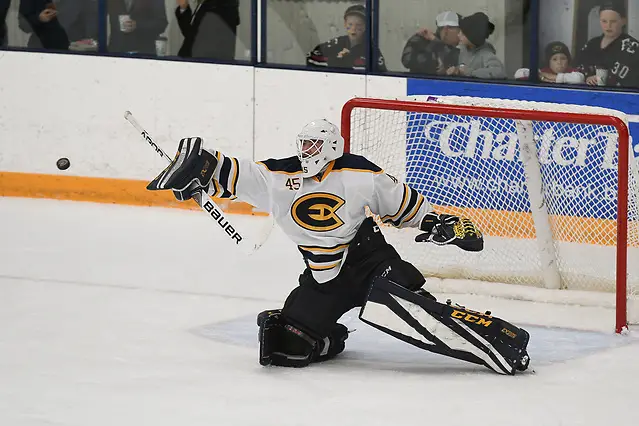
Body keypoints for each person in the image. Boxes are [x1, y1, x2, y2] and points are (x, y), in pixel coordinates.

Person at [145, 120, 531, 375]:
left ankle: (498, 337)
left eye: (314, 144)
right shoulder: (278, 178)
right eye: (303, 144)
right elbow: (225, 169)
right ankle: (332, 336)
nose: (307, 150)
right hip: (324, 277)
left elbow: (401, 204)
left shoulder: (357, 172)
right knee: (283, 345)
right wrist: (196, 171)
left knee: (399, 306)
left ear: (331, 146)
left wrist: (438, 223)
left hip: (369, 261)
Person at [574, 0, 639, 87]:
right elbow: (577, 67)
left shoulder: (632, 46)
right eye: (604, 21)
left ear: (623, 21)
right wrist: (587, 77)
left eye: (613, 21)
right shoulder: (592, 44)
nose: (608, 26)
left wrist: (602, 78)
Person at [306, 5, 386, 72]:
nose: (353, 29)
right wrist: (335, 59)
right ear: (345, 24)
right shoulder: (336, 43)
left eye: (358, 25)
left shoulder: (371, 49)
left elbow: (380, 76)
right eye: (350, 24)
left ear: (366, 26)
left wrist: (348, 60)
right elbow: (310, 58)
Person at [446, 12, 505, 79]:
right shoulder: (463, 50)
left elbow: (499, 72)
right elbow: (463, 69)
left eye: (462, 33)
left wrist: (471, 73)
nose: (458, 35)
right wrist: (457, 70)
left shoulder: (486, 55)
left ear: (472, 37)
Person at [175, 0, 240, 60]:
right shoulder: (207, 4)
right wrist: (183, 7)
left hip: (201, 64)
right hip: (193, 63)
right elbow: (191, 35)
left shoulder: (221, 6)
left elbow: (197, 38)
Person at [401, 11, 461, 75]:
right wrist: (437, 44)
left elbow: (455, 62)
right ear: (446, 30)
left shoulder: (457, 48)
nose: (461, 35)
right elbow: (407, 61)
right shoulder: (421, 39)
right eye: (459, 31)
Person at [515, 41, 585, 83]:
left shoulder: (572, 71)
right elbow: (518, 74)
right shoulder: (543, 71)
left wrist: (549, 77)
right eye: (554, 59)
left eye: (563, 58)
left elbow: (578, 79)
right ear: (548, 62)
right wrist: (539, 75)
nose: (559, 62)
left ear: (568, 60)